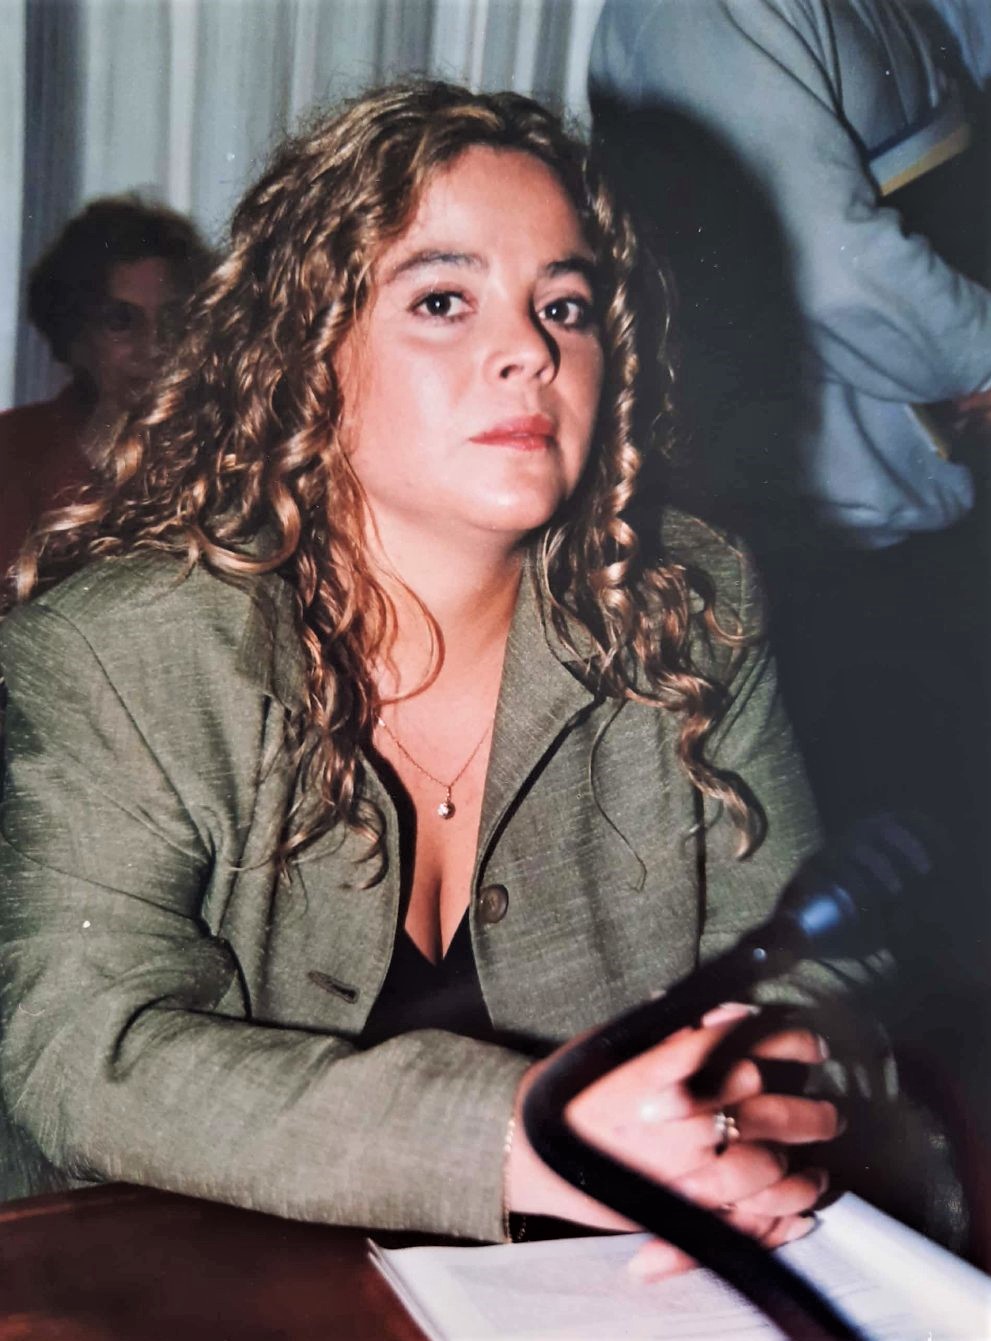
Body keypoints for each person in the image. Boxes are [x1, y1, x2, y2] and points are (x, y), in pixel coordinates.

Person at [0, 82, 849, 1268]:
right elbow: (80, 1054)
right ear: (302, 354)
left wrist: (743, 1114)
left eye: (565, 306)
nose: (529, 352)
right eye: (443, 300)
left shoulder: (690, 608)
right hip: (210, 1284)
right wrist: (517, 1139)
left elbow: (817, 965)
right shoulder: (117, 651)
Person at [0, 196, 212, 574]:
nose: (153, 347)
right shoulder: (11, 449)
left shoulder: (219, 453)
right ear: (75, 336)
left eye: (173, 321)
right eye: (120, 321)